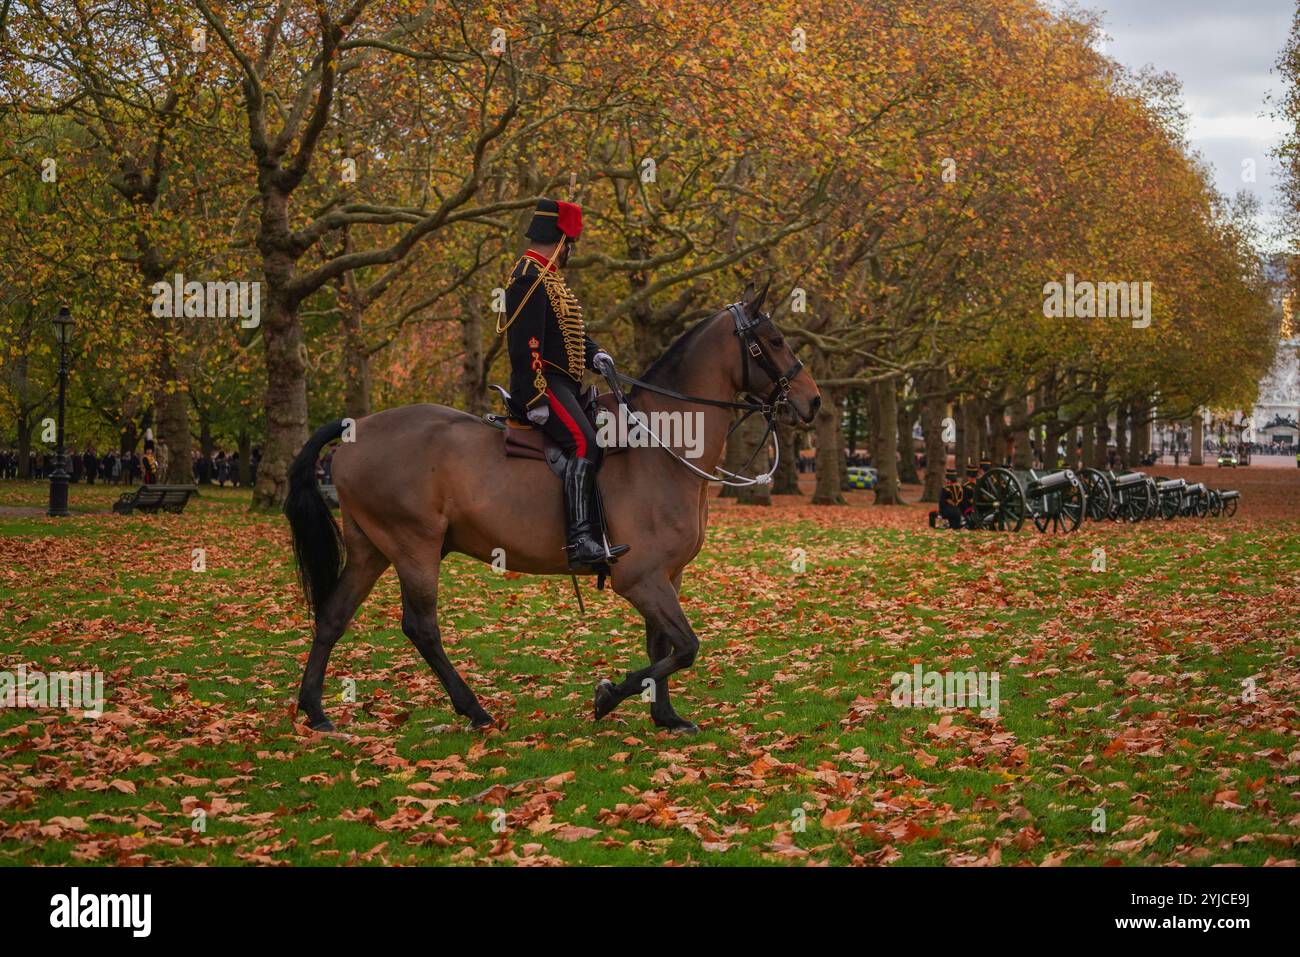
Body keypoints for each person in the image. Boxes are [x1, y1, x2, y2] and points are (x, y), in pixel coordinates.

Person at [498, 197, 628, 571]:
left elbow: (566, 337)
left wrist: (596, 355)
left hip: (565, 384)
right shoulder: (529, 276)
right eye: (569, 244)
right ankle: (579, 539)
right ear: (559, 240)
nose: (570, 252)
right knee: (585, 442)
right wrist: (536, 395)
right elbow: (527, 345)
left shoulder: (547, 277)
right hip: (543, 385)